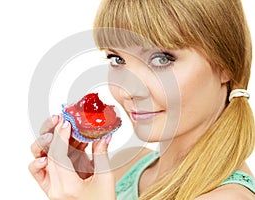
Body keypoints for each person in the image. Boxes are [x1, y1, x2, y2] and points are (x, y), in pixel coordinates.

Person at [29, 0, 255, 199]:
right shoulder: (127, 166)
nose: (128, 91)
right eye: (117, 59)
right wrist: (82, 183)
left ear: (225, 64)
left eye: (161, 59)